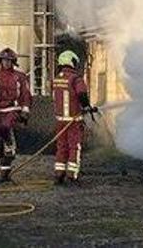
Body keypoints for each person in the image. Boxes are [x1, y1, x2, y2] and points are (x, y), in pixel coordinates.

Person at [0, 48, 32, 183]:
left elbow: (26, 94)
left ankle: (11, 144)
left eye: (9, 61)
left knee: (6, 128)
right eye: (4, 60)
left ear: (14, 62)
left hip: (13, 110)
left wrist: (25, 112)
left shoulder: (20, 77)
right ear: (0, 61)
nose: (6, 63)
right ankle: (4, 174)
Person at [52, 49, 97, 184]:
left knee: (61, 146)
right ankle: (72, 175)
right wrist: (87, 106)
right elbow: (82, 94)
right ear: (72, 62)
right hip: (73, 120)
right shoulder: (76, 79)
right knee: (74, 146)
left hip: (60, 120)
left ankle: (59, 174)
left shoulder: (57, 79)